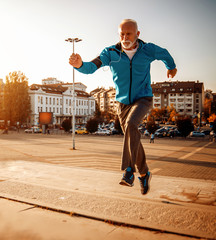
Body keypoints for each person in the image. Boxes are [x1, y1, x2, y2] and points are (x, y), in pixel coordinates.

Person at [69, 19, 177, 195]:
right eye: (122, 34)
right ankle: (144, 173)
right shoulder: (111, 52)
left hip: (143, 98)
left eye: (129, 34)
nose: (125, 37)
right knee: (131, 135)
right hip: (122, 103)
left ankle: (128, 172)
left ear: (137, 34)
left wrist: (171, 67)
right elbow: (91, 67)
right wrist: (79, 65)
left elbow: (165, 54)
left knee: (131, 125)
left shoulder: (148, 49)